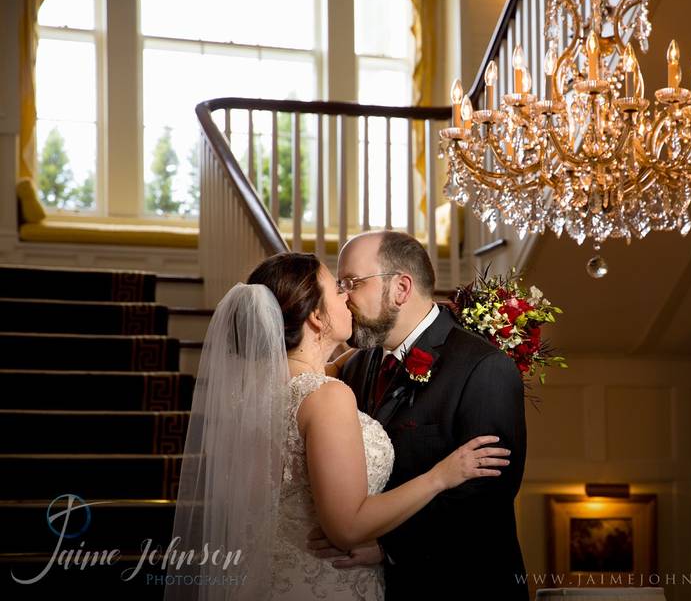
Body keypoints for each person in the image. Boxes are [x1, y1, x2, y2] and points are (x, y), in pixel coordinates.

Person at [163, 252, 510, 600]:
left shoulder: (258, 393)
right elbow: (347, 527)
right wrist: (440, 477)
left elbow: (351, 360)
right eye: (337, 289)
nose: (348, 296)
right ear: (316, 316)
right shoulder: (327, 396)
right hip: (324, 580)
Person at [317, 231, 529, 600]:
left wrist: (388, 548)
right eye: (340, 284)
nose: (343, 296)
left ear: (401, 288)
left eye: (351, 282)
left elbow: (485, 498)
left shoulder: (483, 368)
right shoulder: (354, 368)